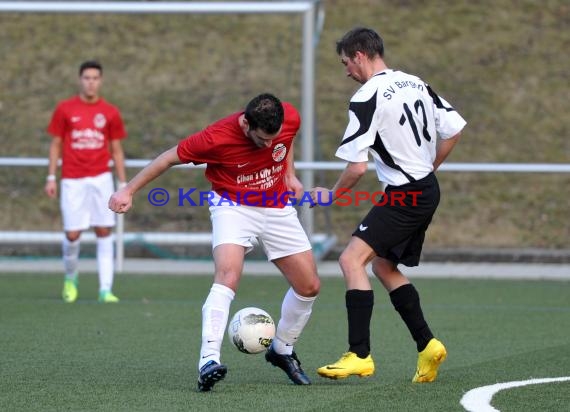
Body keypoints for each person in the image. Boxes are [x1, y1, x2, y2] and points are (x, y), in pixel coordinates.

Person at [108, 93, 320, 392]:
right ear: (246, 123)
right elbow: (168, 158)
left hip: (276, 205)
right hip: (232, 206)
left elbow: (285, 143)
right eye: (261, 140)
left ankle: (282, 349)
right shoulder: (215, 138)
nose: (268, 145)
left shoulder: (289, 118)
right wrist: (127, 190)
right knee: (228, 276)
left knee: (309, 286)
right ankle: (208, 361)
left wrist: (290, 174)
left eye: (273, 139)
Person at [311, 27, 466, 383]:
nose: (346, 71)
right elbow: (454, 130)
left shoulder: (366, 97)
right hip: (426, 189)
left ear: (360, 56)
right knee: (382, 266)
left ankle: (359, 355)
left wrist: (330, 196)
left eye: (346, 62)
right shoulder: (416, 82)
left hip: (405, 195)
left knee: (351, 260)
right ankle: (427, 345)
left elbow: (357, 167)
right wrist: (427, 170)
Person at [44, 60, 127, 304]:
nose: (91, 82)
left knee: (103, 230)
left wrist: (123, 183)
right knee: (72, 234)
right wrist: (51, 176)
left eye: (95, 78)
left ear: (100, 81)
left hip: (101, 178)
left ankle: (105, 289)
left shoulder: (110, 111)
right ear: (80, 80)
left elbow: (117, 149)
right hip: (72, 179)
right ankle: (71, 277)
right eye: (87, 78)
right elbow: (56, 144)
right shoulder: (65, 109)